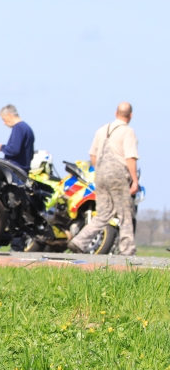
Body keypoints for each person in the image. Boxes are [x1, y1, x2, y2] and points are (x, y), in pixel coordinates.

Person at [69, 103, 139, 256]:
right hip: (119, 174)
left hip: (100, 175)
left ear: (116, 113)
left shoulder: (102, 130)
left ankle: (79, 240)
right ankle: (127, 250)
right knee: (125, 213)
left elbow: (92, 154)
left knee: (103, 213)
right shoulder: (127, 132)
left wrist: (100, 170)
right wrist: (134, 180)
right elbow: (130, 157)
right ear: (130, 115)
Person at [0, 104, 34, 171]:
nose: (4, 123)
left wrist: (2, 147)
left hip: (16, 170)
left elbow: (14, 150)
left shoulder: (18, 127)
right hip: (24, 170)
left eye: (4, 119)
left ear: (9, 115)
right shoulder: (27, 128)